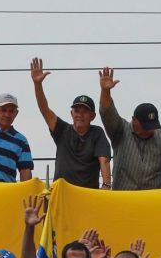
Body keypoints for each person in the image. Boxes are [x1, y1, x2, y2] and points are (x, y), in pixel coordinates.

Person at [29, 58, 112, 189]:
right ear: (71, 114)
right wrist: (37, 84)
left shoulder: (97, 133)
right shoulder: (62, 130)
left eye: (85, 111)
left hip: (87, 197)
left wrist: (106, 185)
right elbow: (44, 109)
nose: (80, 115)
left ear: (93, 116)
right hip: (61, 196)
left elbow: (104, 160)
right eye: (77, 111)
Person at [97, 67, 161, 190]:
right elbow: (107, 112)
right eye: (145, 126)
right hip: (124, 199)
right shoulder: (120, 130)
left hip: (154, 201)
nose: (149, 130)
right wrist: (105, 91)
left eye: (152, 126)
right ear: (134, 120)